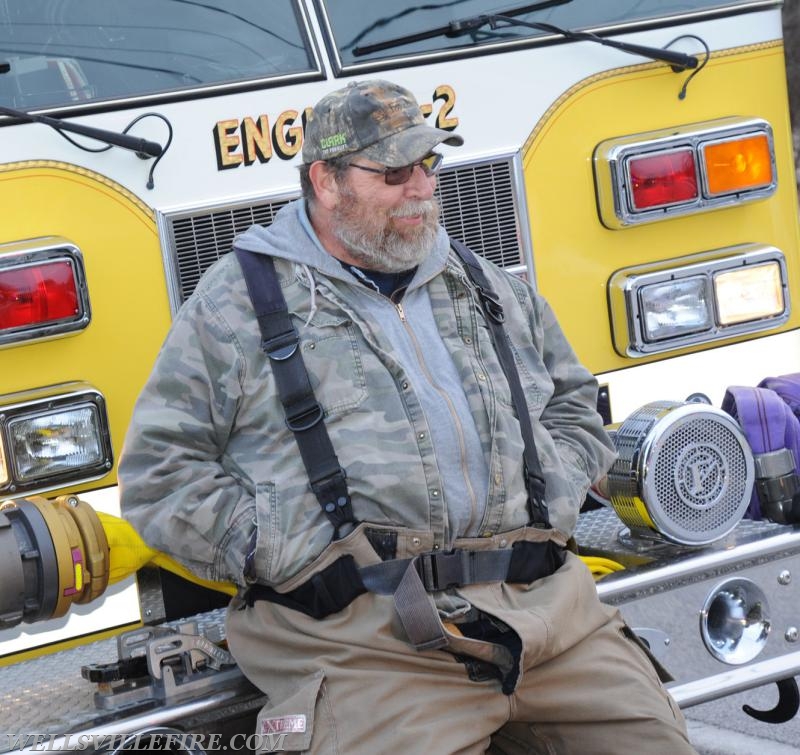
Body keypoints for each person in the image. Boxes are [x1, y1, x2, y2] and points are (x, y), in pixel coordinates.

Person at [119, 79, 696, 754]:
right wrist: (278, 545)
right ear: (326, 182)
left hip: (551, 619)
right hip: (370, 646)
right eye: (393, 173)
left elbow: (574, 400)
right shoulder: (237, 306)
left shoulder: (481, 280)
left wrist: (555, 494)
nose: (421, 189)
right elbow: (160, 473)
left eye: (428, 166)